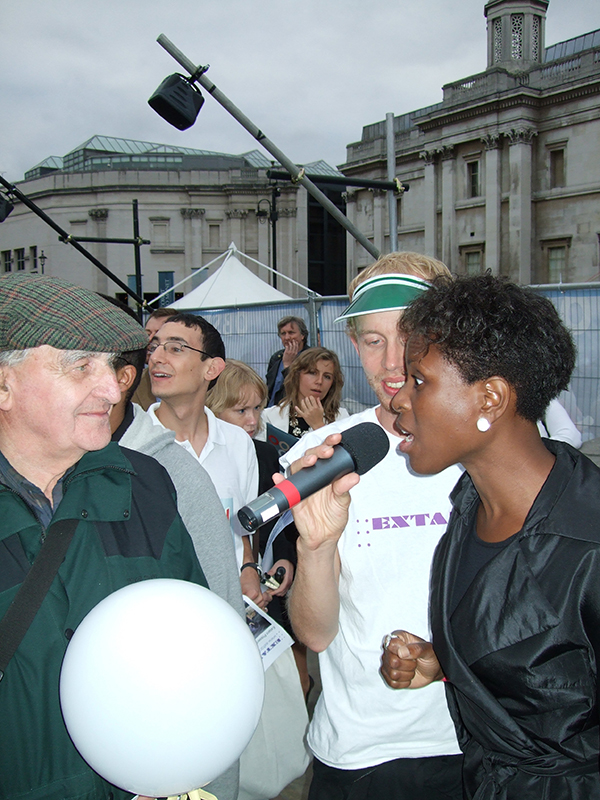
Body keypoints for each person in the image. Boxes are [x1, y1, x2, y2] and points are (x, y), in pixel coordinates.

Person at [379, 274, 600, 799]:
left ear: (490, 399)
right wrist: (450, 664)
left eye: (419, 381)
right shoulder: (468, 508)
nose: (398, 400)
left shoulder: (588, 546)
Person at [0, 273, 207, 800]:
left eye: (111, 366)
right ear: (3, 385)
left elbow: (196, 645)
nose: (114, 388)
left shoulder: (147, 483)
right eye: (80, 366)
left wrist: (176, 762)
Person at [280, 253, 464, 800]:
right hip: (359, 748)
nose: (392, 361)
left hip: (476, 739)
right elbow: (315, 634)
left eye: (410, 334)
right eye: (372, 340)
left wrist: (448, 661)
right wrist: (316, 544)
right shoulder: (327, 454)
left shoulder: (490, 449)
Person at [146, 312, 263, 607]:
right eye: (154, 347)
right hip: (163, 608)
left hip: (228, 607)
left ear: (212, 368)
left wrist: (248, 567)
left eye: (175, 348)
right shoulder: (133, 448)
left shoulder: (238, 443)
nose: (157, 358)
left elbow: (241, 524)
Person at [260, 347, 349, 441]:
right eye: (312, 373)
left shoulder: (342, 418)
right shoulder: (269, 417)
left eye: (327, 377)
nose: (319, 381)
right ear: (297, 375)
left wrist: (318, 425)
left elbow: (342, 450)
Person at [266, 315, 309, 406]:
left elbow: (300, 389)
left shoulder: (311, 357)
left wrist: (288, 366)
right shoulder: (276, 357)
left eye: (291, 333)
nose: (287, 337)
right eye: (283, 333)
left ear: (302, 335)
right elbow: (270, 387)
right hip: (270, 409)